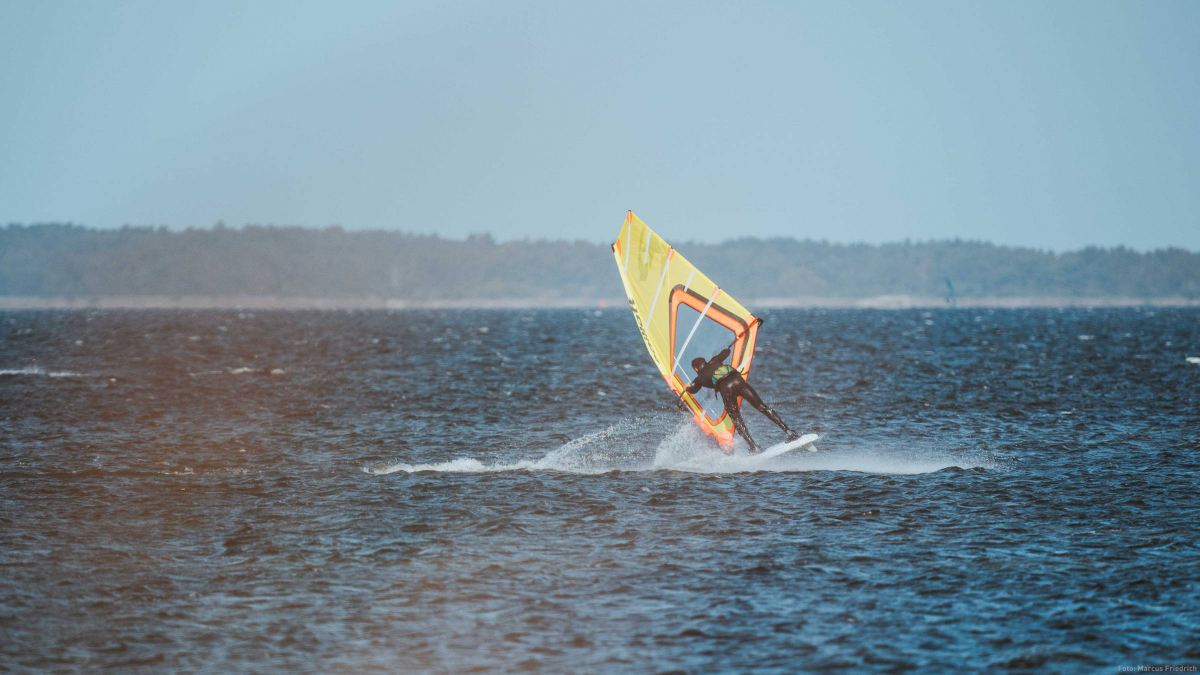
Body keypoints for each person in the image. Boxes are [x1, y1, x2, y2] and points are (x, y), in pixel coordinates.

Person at [679, 348, 800, 453]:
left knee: (736, 419)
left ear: (696, 369)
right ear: (705, 362)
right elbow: (727, 351)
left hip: (726, 388)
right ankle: (789, 432)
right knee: (762, 407)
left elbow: (693, 390)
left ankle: (754, 447)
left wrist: (687, 387)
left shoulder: (699, 378)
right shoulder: (715, 361)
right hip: (738, 380)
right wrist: (717, 356)